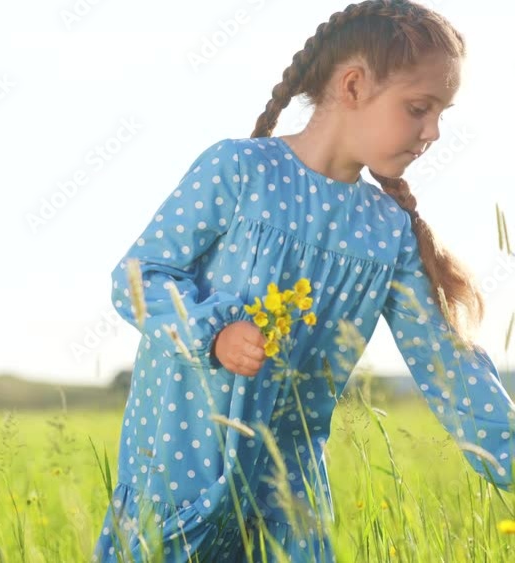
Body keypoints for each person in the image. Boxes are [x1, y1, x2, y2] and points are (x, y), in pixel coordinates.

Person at [93, 1, 515, 561]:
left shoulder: (386, 230)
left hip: (286, 502)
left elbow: (448, 366)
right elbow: (138, 277)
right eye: (419, 108)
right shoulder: (240, 169)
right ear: (354, 85)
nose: (434, 131)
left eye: (442, 114)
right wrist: (212, 332)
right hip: (177, 476)